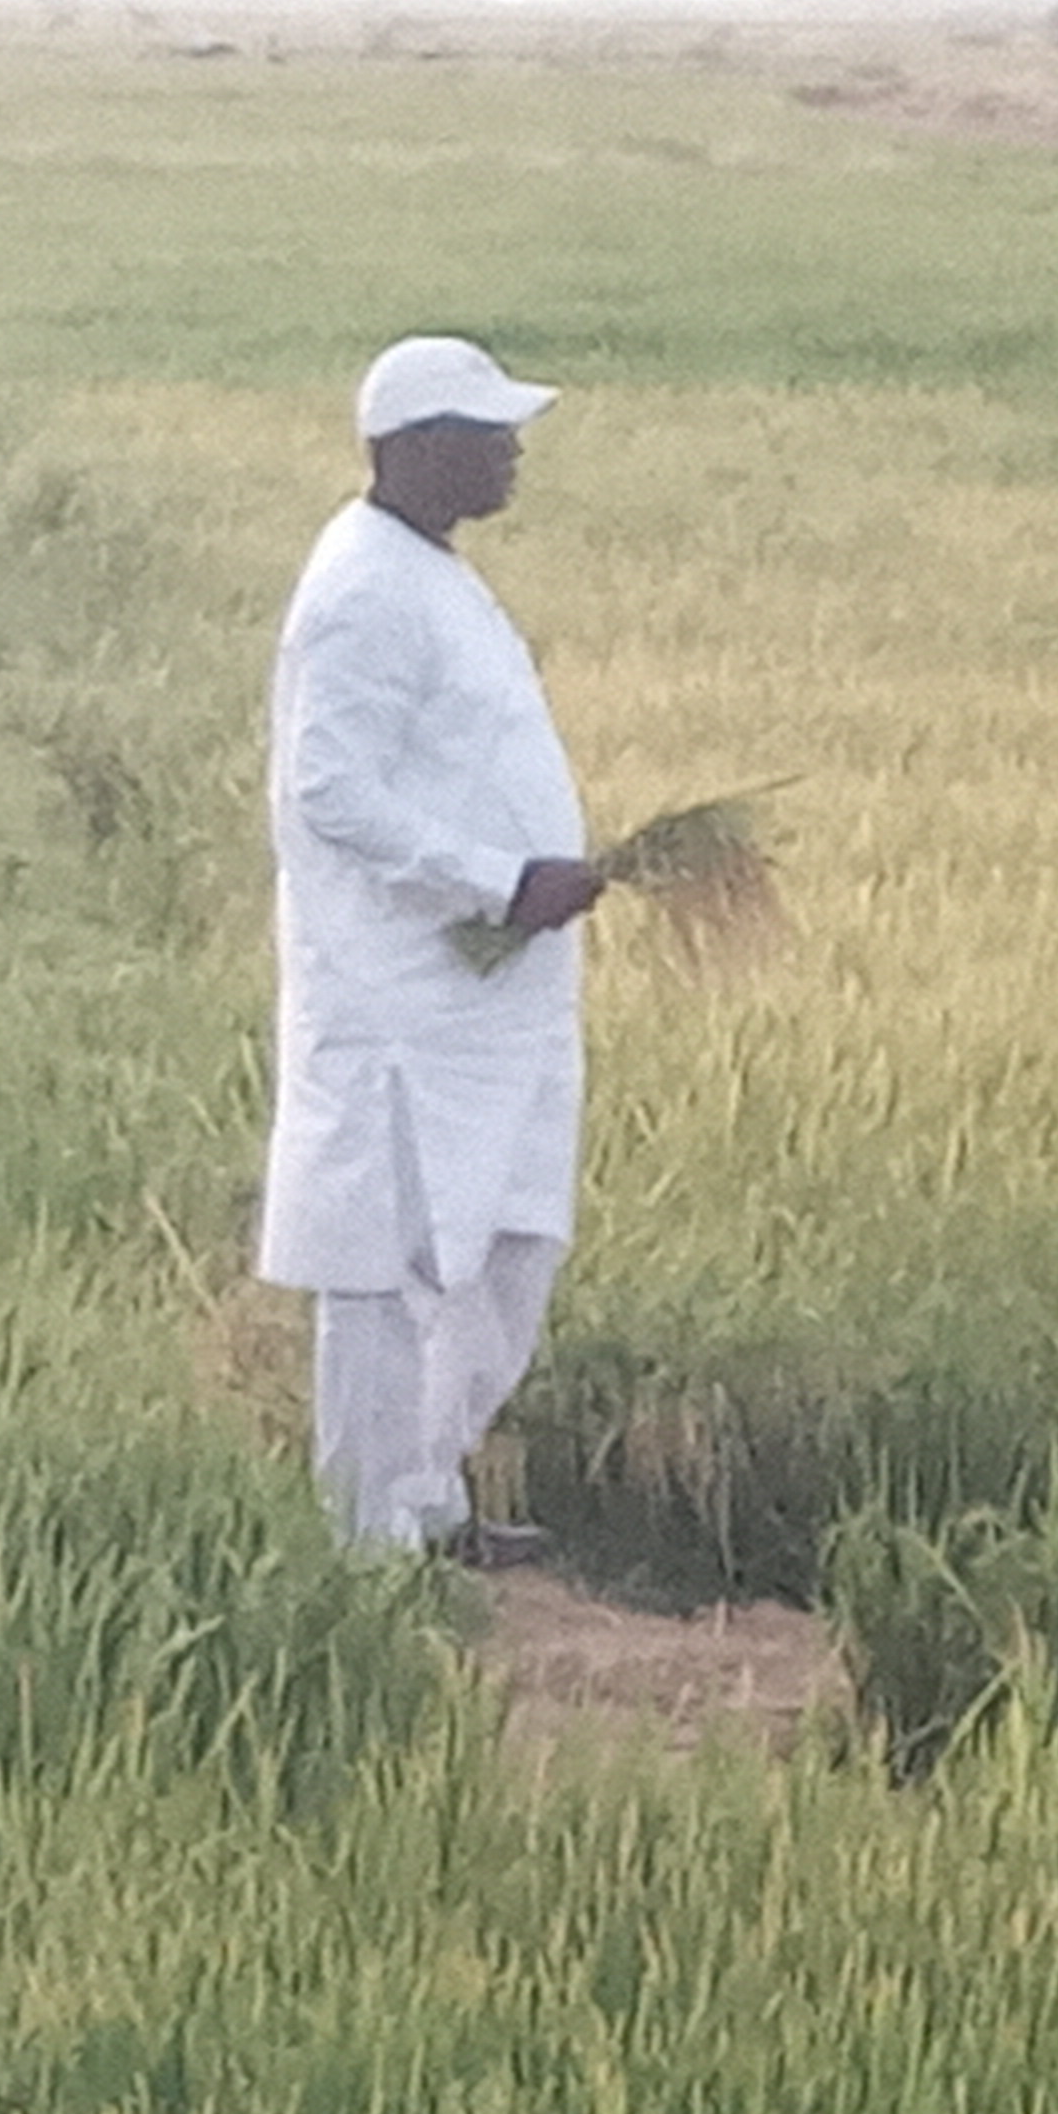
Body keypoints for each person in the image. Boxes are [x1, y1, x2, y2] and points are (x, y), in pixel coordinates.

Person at [256, 335, 606, 1565]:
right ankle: (366, 1544)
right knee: (389, 1274)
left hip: (489, 1000)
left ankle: (428, 1500)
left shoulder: (430, 570)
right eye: (487, 433)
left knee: (506, 1245)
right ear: (411, 448)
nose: (513, 452)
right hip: (406, 1002)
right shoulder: (360, 591)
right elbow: (330, 793)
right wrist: (500, 880)